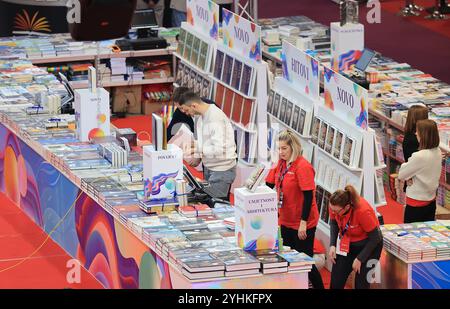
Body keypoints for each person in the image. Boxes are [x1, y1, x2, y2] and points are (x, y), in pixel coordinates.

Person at [266, 130, 324, 289]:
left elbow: (308, 197)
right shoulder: (280, 163)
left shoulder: (303, 166)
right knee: (287, 258)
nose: (280, 152)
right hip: (285, 219)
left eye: (284, 148)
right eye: (278, 148)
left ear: (293, 148)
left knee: (305, 262)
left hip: (302, 222)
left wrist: (303, 223)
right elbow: (269, 185)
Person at [180, 91, 237, 200]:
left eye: (186, 110)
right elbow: (203, 140)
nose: (186, 113)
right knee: (208, 202)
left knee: (217, 205)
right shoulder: (200, 116)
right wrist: (196, 153)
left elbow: (219, 149)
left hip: (221, 170)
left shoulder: (216, 118)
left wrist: (198, 148)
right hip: (210, 167)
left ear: (194, 105)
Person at [328, 185, 383, 289]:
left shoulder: (363, 211)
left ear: (347, 207)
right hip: (348, 245)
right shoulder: (334, 205)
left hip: (370, 247)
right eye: (332, 210)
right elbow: (333, 223)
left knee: (361, 284)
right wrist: (332, 245)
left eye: (336, 211)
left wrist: (360, 259)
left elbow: (376, 237)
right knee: (336, 280)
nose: (333, 212)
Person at [398, 119, 442, 223]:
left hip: (416, 202)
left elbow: (402, 174)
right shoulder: (437, 151)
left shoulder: (419, 156)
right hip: (431, 199)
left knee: (411, 232)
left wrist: (407, 170)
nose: (416, 133)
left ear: (424, 135)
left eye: (418, 131)